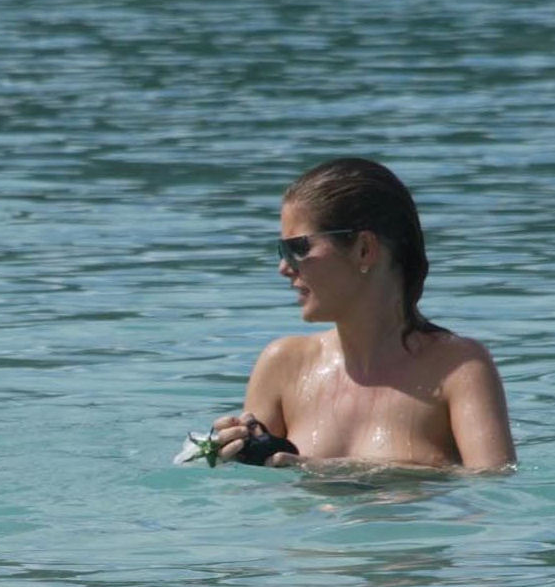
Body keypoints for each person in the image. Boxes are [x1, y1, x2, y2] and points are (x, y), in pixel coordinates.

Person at [208, 157, 515, 472]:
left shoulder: (460, 369)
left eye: (298, 248)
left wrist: (333, 472)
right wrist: (229, 455)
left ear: (364, 249)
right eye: (281, 250)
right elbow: (255, 496)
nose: (284, 267)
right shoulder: (282, 365)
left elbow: (493, 484)